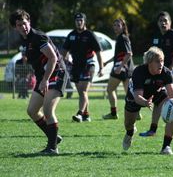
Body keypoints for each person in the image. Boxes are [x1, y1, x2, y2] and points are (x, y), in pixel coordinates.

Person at [9, 9, 66, 155]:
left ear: (29, 22)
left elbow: (53, 58)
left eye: (25, 23)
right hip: (43, 77)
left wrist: (45, 80)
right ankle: (53, 137)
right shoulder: (26, 41)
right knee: (32, 111)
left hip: (56, 73)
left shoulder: (37, 37)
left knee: (48, 110)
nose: (24, 26)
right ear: (15, 27)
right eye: (20, 25)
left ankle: (52, 148)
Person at [122, 46, 173, 155]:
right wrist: (146, 102)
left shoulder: (166, 72)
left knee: (172, 107)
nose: (161, 64)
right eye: (157, 61)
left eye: (162, 61)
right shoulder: (139, 71)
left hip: (156, 93)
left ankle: (166, 147)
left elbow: (172, 94)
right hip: (135, 97)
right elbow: (137, 97)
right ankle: (130, 133)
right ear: (149, 62)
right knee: (128, 124)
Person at [61, 12, 104, 122]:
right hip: (75, 67)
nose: (79, 22)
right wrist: (64, 62)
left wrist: (101, 67)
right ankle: (86, 115)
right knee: (81, 93)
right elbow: (64, 51)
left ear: (84, 22)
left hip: (88, 65)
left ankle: (80, 114)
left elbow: (98, 52)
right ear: (75, 22)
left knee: (83, 91)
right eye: (77, 20)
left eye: (81, 20)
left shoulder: (90, 35)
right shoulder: (71, 35)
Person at [102, 18, 140, 120]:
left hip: (121, 69)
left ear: (123, 27)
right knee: (129, 94)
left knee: (110, 89)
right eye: (114, 25)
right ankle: (136, 113)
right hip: (127, 69)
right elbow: (119, 55)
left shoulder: (123, 38)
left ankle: (113, 113)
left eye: (118, 25)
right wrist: (107, 62)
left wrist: (120, 66)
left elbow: (129, 54)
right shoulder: (122, 38)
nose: (115, 27)